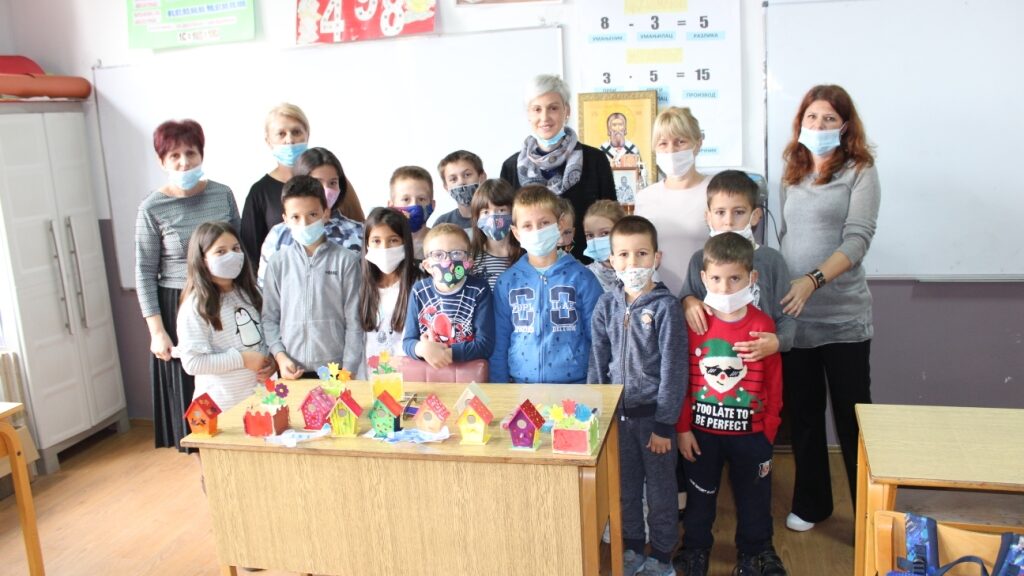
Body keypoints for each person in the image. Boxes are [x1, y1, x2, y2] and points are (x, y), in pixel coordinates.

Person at [777, 84, 880, 533]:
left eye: (829, 119)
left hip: (843, 318)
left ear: (845, 125)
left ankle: (869, 514)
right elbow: (786, 237)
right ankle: (812, 504)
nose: (818, 125)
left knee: (853, 419)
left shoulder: (860, 170)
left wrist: (812, 280)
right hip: (796, 318)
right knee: (803, 417)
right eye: (811, 117)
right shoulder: (792, 171)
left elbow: (857, 240)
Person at [674, 232, 787, 576]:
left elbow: (774, 381)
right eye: (716, 279)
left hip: (752, 436)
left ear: (752, 278)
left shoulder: (763, 325)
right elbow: (681, 380)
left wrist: (769, 429)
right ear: (703, 278)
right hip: (701, 436)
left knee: (755, 499)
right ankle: (695, 549)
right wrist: (682, 428)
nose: (724, 288)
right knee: (700, 498)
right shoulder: (694, 324)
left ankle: (756, 553)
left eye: (735, 278)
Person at [588, 215, 686, 576]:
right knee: (625, 488)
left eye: (642, 254)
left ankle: (661, 554)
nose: (633, 263)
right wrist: (598, 414)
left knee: (660, 491)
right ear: (611, 260)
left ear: (656, 257)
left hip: (654, 421)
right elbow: (598, 362)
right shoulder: (606, 306)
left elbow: (674, 369)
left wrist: (664, 424)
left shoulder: (666, 307)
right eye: (624, 255)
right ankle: (631, 547)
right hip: (617, 419)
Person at [135, 118, 240, 451]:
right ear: (161, 161)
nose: (184, 162)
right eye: (174, 156)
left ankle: (236, 451)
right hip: (178, 304)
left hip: (224, 299)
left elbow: (240, 250)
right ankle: (203, 462)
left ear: (201, 154)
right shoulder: (151, 208)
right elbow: (144, 271)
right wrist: (156, 331)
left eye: (191, 153)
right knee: (193, 396)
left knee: (231, 379)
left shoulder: (222, 194)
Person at [489, 185, 603, 384]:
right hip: (521, 387)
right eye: (527, 226)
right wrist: (499, 388)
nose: (537, 231)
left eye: (544, 223)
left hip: (576, 386)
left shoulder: (582, 278)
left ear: (560, 224)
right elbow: (499, 341)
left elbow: (599, 339)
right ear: (516, 233)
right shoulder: (507, 282)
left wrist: (596, 386)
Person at [679, 170, 795, 360]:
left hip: (761, 361)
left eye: (739, 212)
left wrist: (778, 341)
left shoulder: (772, 260)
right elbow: (687, 298)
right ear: (708, 217)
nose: (729, 222)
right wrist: (687, 302)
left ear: (755, 216)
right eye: (720, 212)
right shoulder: (699, 259)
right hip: (713, 361)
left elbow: (787, 317)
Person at [500, 74, 616, 263]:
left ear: (566, 110)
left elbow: (611, 219)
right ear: (528, 114)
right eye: (537, 109)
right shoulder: (511, 167)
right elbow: (510, 229)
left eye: (553, 108)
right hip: (532, 270)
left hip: (587, 268)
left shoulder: (595, 160)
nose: (544, 117)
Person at [262, 175, 363, 379]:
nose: (305, 223)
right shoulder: (278, 263)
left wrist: (349, 368)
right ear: (285, 219)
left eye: (313, 214)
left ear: (325, 213)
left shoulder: (346, 261)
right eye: (296, 217)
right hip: (292, 370)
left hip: (336, 370)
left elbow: (354, 320)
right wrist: (280, 357)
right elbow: (269, 318)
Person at [240, 103, 364, 260]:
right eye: (281, 134)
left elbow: (360, 229)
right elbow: (251, 252)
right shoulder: (261, 194)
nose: (290, 140)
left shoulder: (335, 181)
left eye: (296, 132)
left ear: (307, 134)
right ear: (268, 140)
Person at [177, 221, 275, 411]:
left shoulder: (251, 293)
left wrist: (271, 361)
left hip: (260, 402)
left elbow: (264, 339)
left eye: (236, 249)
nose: (231, 256)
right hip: (220, 409)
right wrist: (242, 359)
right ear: (202, 260)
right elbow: (192, 363)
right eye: (220, 251)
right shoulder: (195, 306)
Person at [256, 147, 364, 286]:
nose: (326, 190)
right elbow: (265, 288)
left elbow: (367, 288)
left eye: (332, 183)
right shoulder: (278, 235)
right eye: (317, 182)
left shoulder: (358, 232)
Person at [634, 107, 711, 295]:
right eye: (663, 143)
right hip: (658, 303)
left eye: (680, 142)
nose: (671, 150)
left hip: (705, 302)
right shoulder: (645, 197)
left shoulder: (715, 192)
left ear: (698, 144)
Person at [402, 224, 494, 369]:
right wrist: (422, 349)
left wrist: (446, 354)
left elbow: (485, 345)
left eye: (456, 253)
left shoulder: (479, 290)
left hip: (467, 373)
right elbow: (408, 341)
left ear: (469, 262)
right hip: (429, 374)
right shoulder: (419, 291)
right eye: (438, 255)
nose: (447, 261)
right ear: (427, 265)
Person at [360, 207, 422, 372]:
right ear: (366, 244)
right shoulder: (359, 283)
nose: (385, 248)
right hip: (366, 377)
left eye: (393, 240)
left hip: (406, 377)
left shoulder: (420, 284)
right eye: (376, 241)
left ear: (404, 242)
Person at [468, 179, 521, 289]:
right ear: (477, 218)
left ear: (513, 212)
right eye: (486, 212)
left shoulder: (526, 255)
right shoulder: (471, 258)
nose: (493, 218)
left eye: (501, 210)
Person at [388, 165, 435, 260]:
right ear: (391, 206)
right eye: (406, 199)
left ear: (432, 205)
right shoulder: (384, 247)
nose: (414, 205)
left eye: (421, 199)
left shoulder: (442, 243)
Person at [435, 150, 486, 231]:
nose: (461, 182)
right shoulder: (443, 223)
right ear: (446, 187)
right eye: (453, 179)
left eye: (467, 175)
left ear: (482, 178)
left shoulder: (498, 215)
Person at [582, 199, 626, 292]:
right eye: (590, 235)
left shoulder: (637, 272)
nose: (596, 241)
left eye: (605, 233)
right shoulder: (583, 276)